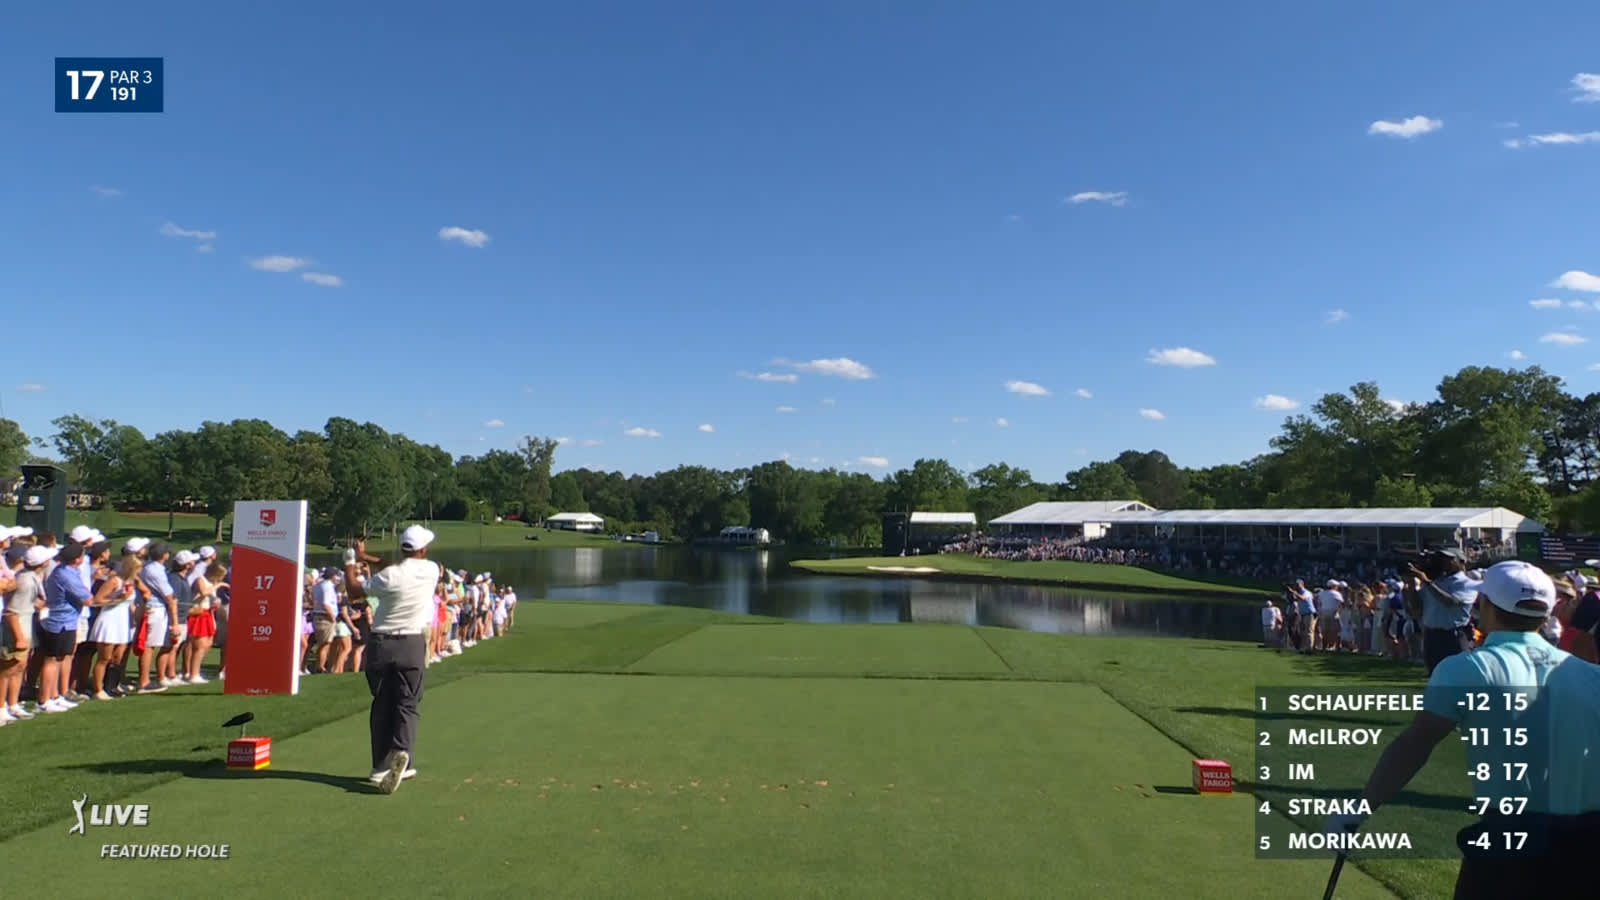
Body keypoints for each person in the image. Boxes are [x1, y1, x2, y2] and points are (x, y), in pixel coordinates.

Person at [1328, 560, 1600, 898]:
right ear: (1548, 612)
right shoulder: (1591, 676)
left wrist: (1360, 808)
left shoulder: (1467, 670)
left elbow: (1416, 745)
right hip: (1588, 846)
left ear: (1484, 605)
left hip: (1510, 843)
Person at [343, 525, 442, 794]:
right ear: (423, 550)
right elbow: (400, 566)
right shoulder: (432, 570)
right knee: (408, 703)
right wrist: (366, 557)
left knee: (383, 703)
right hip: (411, 644)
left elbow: (354, 591)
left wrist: (352, 561)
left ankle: (379, 768)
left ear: (403, 548)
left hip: (381, 644)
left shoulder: (389, 576)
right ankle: (403, 754)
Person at [1406, 549, 1481, 674]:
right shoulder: (1436, 581)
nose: (1444, 561)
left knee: (1458, 676)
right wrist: (1411, 585)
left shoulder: (1468, 583)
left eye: (1450, 558)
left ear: (1461, 561)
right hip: (1432, 635)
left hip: (1454, 636)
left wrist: (1426, 581)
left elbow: (1450, 602)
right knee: (1435, 677)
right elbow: (1416, 609)